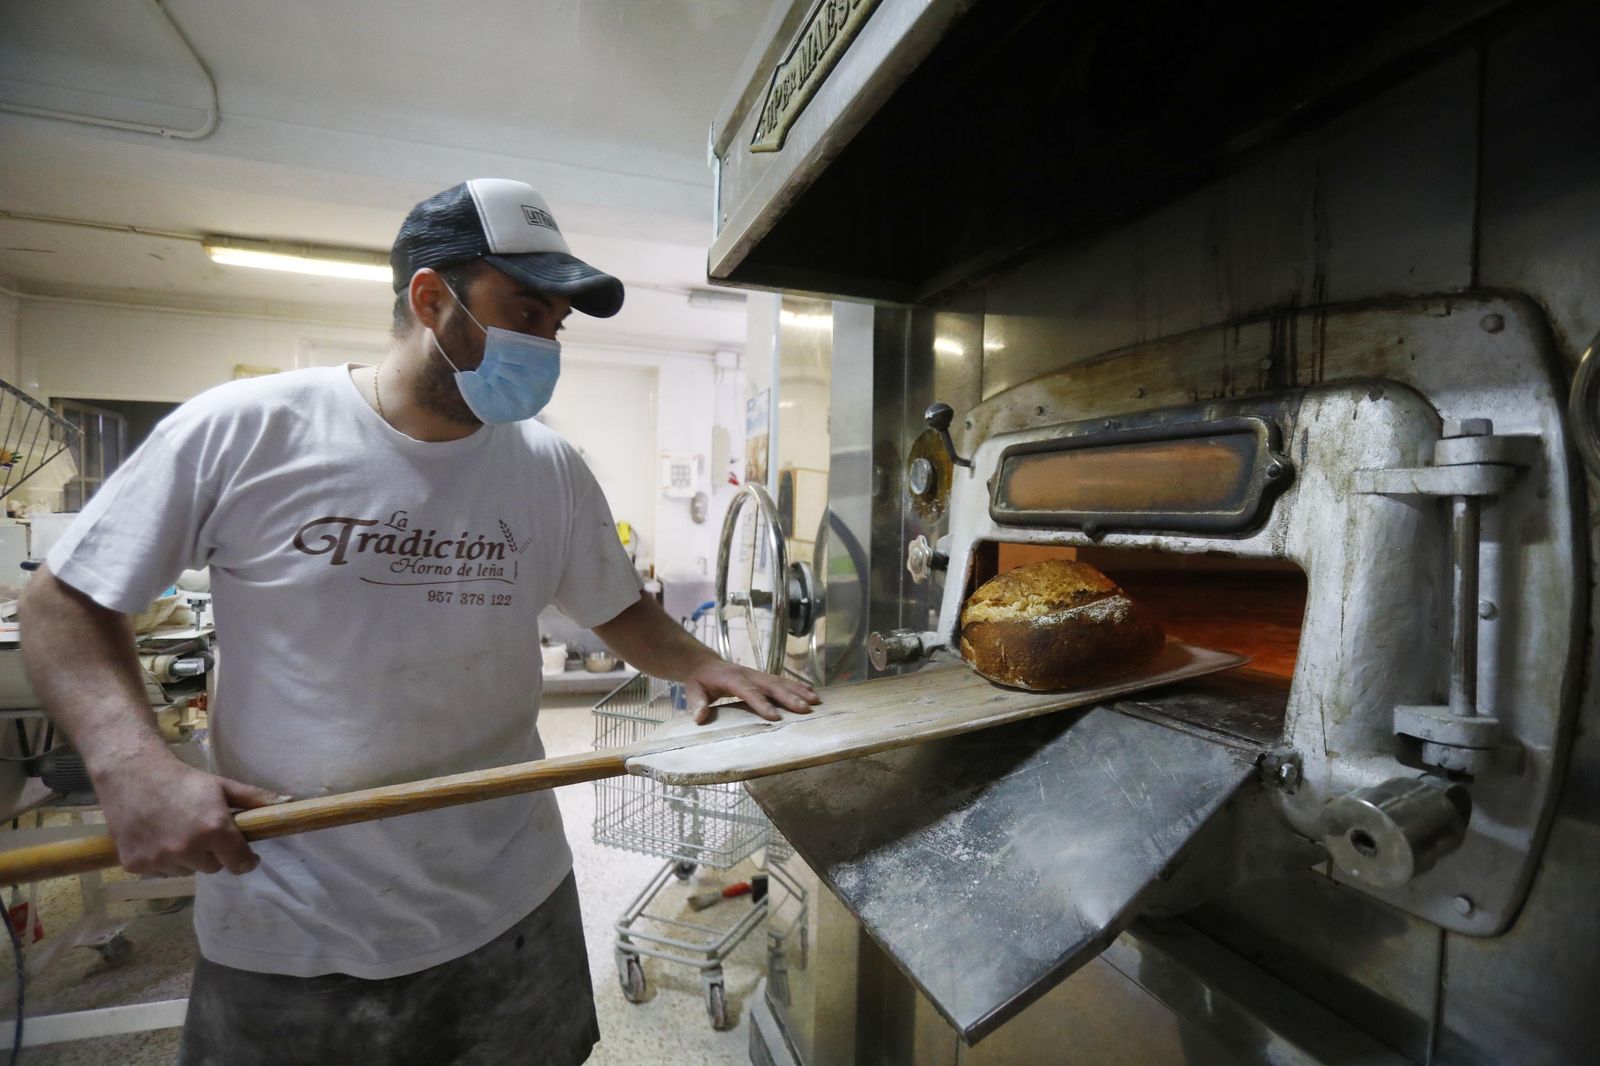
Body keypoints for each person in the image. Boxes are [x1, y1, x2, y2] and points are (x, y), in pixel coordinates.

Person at [18, 178, 819, 1065]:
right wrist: (135, 767)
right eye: (525, 309)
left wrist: (705, 664)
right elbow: (64, 601)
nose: (547, 343)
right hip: (295, 924)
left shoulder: (549, 466)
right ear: (431, 300)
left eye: (556, 323)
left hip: (512, 904)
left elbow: (618, 607)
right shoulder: (246, 430)